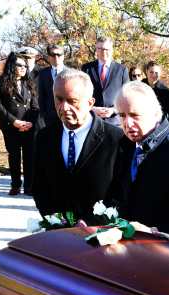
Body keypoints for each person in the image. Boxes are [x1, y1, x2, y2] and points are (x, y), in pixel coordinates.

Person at [108, 81, 169, 232]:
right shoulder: (126, 146)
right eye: (122, 115)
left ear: (155, 113)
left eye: (135, 115)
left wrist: (155, 232)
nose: (127, 123)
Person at [32, 69, 123, 224]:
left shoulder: (116, 139)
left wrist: (93, 222)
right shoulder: (44, 137)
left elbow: (121, 191)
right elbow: (39, 187)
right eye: (59, 99)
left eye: (72, 101)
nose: (64, 107)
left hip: (102, 230)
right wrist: (57, 221)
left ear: (90, 103)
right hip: (59, 230)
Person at [0, 52, 38, 196]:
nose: (23, 68)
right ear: (11, 65)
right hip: (10, 125)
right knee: (14, 156)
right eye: (19, 65)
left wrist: (31, 123)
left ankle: (29, 187)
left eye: (25, 66)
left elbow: (35, 106)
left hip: (28, 125)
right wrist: (14, 121)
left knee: (29, 156)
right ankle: (16, 184)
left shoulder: (29, 82)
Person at [81, 37, 129, 127]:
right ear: (96, 49)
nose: (103, 52)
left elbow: (126, 96)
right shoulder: (86, 68)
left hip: (115, 122)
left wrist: (113, 110)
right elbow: (81, 94)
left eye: (106, 49)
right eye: (100, 49)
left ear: (112, 50)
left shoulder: (122, 70)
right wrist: (92, 108)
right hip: (92, 120)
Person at [37, 44, 67, 130]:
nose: (56, 57)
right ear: (49, 57)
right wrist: (44, 115)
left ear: (63, 56)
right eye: (53, 54)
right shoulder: (42, 74)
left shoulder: (72, 73)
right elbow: (41, 96)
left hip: (67, 114)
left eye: (59, 54)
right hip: (49, 118)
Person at [144, 61, 169, 129]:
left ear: (160, 73)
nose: (154, 75)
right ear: (146, 71)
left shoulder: (166, 92)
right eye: (151, 72)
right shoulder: (139, 87)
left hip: (159, 127)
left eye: (156, 73)